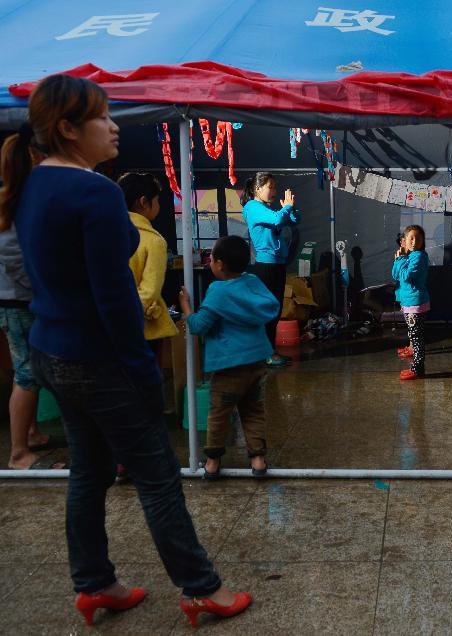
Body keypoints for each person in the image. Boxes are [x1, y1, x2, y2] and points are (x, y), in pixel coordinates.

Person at [5, 74, 249, 627]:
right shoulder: (95, 192)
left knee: (88, 473)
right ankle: (200, 588)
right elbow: (116, 300)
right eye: (102, 117)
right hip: (100, 360)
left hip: (52, 351)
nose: (115, 126)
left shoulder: (30, 184)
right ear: (67, 129)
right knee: (158, 476)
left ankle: (94, 585)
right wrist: (142, 373)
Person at [179, 236, 279, 478]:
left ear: (220, 264)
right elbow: (269, 307)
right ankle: (258, 460)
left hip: (228, 366)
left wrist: (187, 311)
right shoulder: (253, 282)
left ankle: (212, 462)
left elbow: (200, 326)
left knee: (219, 413)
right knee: (253, 411)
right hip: (256, 362)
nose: (210, 262)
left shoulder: (218, 291)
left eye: (211, 258)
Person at [0, 181, 60, 470]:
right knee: (26, 374)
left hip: (20, 299)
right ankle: (19, 454)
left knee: (29, 372)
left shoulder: (15, 200)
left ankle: (31, 434)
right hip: (18, 301)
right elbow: (12, 255)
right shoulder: (10, 203)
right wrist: (39, 290)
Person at [241, 172, 300, 368]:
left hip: (276, 265)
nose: (274, 190)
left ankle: (268, 352)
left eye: (275, 187)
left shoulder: (267, 208)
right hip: (266, 267)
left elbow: (293, 220)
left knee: (274, 310)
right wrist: (285, 210)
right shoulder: (252, 207)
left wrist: (290, 209)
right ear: (258, 189)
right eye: (270, 187)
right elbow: (276, 220)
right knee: (268, 311)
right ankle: (265, 353)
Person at [118, 173, 178, 359]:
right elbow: (149, 291)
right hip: (141, 326)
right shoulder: (153, 240)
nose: (158, 205)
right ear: (144, 202)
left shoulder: (106, 230)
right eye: (157, 200)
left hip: (107, 321)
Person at [392, 225, 430, 380]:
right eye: (411, 238)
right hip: (409, 302)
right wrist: (399, 259)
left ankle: (417, 369)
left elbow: (407, 276)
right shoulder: (409, 255)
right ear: (404, 241)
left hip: (416, 303)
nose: (414, 242)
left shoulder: (419, 256)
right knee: (414, 335)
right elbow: (395, 275)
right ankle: (416, 367)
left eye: (418, 238)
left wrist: (400, 259)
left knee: (417, 338)